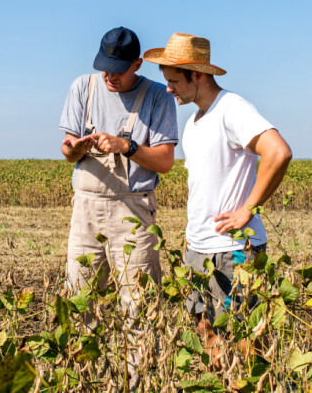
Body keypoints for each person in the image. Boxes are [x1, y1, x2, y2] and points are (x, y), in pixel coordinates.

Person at [143, 32, 292, 363]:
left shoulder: (232, 109)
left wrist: (248, 209)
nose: (168, 89)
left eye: (174, 81)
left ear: (197, 75)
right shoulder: (195, 122)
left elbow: (278, 152)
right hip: (198, 249)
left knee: (243, 339)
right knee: (205, 331)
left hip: (234, 249)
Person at [59, 26, 178, 307]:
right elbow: (66, 149)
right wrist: (74, 150)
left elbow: (165, 161)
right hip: (85, 210)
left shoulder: (158, 96)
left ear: (137, 64)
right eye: (105, 68)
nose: (110, 76)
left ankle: (141, 354)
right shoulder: (82, 87)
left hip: (132, 211)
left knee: (140, 304)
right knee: (79, 298)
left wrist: (127, 147)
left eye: (118, 70)